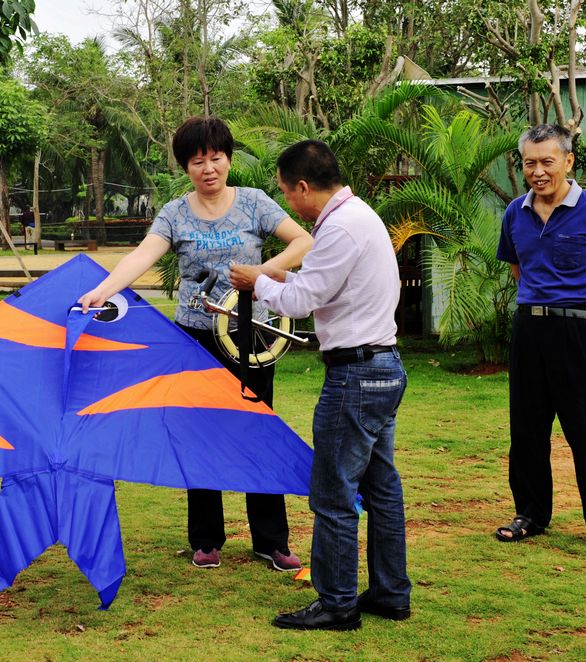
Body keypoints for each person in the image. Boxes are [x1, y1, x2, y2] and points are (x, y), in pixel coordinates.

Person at [78, 116, 313, 572]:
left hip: (251, 338)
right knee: (199, 433)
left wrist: (264, 271)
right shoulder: (174, 213)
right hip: (195, 339)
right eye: (197, 160)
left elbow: (303, 240)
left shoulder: (254, 203)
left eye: (216, 157)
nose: (208, 168)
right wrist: (105, 289)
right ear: (186, 166)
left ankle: (272, 540)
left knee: (257, 432)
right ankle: (206, 539)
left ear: (228, 158)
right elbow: (143, 255)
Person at [230, 140, 410, 631]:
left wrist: (257, 282)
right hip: (381, 366)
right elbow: (326, 287)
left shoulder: (340, 228)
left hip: (355, 376)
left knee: (332, 495)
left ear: (304, 187)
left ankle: (336, 603)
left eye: (287, 193)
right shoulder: (356, 216)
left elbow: (304, 299)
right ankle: (391, 593)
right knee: (382, 489)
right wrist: (274, 275)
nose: (288, 201)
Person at [495, 123, 586, 554]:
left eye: (547, 161)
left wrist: (574, 305)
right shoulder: (514, 213)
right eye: (530, 162)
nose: (537, 171)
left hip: (579, 330)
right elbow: (518, 269)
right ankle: (530, 514)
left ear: (568, 162)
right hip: (530, 328)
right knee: (528, 427)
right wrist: (543, 305)